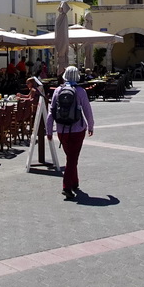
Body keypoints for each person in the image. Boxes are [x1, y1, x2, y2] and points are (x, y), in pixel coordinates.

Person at [46, 65, 95, 200]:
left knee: (71, 157)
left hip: (61, 130)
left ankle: (75, 182)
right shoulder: (81, 91)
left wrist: (49, 130)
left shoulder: (57, 90)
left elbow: (51, 111)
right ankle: (66, 187)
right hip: (77, 129)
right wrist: (90, 125)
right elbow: (87, 110)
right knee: (72, 158)